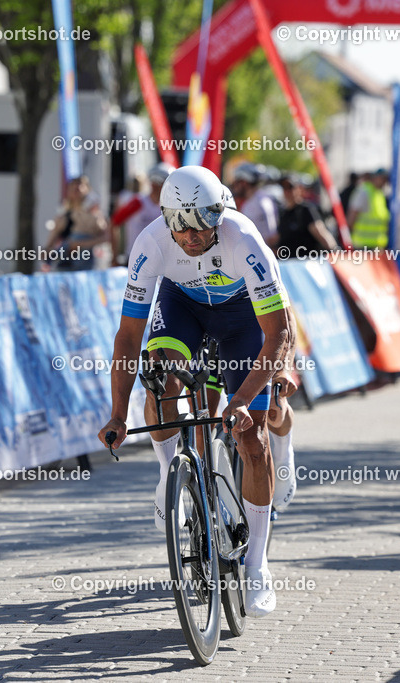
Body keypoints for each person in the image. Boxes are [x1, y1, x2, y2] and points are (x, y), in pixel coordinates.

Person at [99, 165, 296, 618]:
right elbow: (127, 339)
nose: (189, 236)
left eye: (201, 225)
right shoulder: (150, 243)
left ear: (218, 214)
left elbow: (279, 334)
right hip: (183, 305)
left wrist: (243, 399)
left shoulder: (243, 239)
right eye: (179, 226)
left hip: (244, 317)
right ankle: (170, 474)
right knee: (161, 374)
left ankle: (257, 564)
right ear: (166, 218)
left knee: (251, 436)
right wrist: (117, 415)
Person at [41, 176, 109, 271]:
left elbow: (106, 237)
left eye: (79, 187)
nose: (76, 190)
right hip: (69, 254)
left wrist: (80, 244)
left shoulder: (93, 211)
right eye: (73, 188)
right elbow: (55, 232)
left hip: (87, 258)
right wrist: (47, 249)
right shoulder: (65, 212)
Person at [109, 163, 173, 264]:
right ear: (154, 184)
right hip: (135, 258)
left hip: (159, 259)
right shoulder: (138, 202)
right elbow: (113, 223)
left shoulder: (168, 206)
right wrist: (114, 256)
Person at [276, 173, 339, 259]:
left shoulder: (306, 210)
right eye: (284, 188)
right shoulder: (282, 212)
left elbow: (321, 233)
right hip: (287, 265)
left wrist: (336, 254)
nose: (287, 191)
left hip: (305, 264)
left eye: (290, 187)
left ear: (299, 189)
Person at [347, 168, 390, 250]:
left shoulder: (380, 194)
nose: (385, 182)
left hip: (377, 246)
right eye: (382, 178)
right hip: (362, 246)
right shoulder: (364, 192)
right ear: (375, 178)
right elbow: (351, 218)